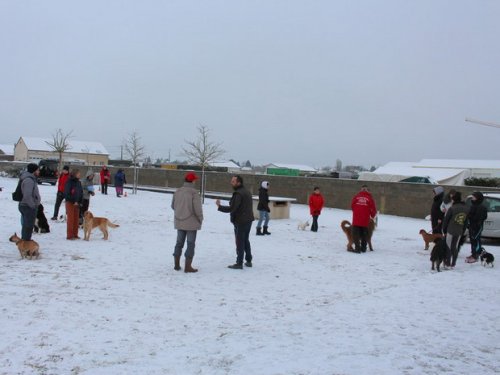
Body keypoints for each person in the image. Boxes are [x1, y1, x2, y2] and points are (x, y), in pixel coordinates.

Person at [216, 175, 254, 269]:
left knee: (240, 241)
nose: (231, 183)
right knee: (245, 240)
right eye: (231, 181)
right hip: (248, 220)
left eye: (233, 181)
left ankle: (239, 263)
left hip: (241, 221)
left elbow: (232, 208)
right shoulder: (246, 191)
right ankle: (248, 260)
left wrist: (219, 206)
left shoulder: (238, 194)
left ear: (238, 183)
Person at [171, 172, 204, 273]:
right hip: (191, 222)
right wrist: (200, 218)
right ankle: (188, 266)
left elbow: (173, 206)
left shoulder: (177, 191)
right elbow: (197, 209)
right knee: (190, 243)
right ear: (193, 180)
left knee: (179, 243)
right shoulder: (194, 193)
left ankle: (176, 265)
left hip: (179, 221)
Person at [442, 191, 469, 269]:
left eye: (452, 199)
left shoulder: (452, 208)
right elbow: (466, 222)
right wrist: (463, 231)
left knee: (448, 246)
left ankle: (447, 263)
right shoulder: (466, 208)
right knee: (455, 247)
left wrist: (444, 231)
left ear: (454, 200)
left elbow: (446, 220)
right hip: (459, 231)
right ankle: (453, 264)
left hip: (450, 230)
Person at [18, 163, 41, 241]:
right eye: (38, 170)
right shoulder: (29, 180)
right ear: (34, 171)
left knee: (26, 226)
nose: (39, 172)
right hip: (27, 206)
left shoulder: (30, 178)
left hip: (26, 205)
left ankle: (25, 242)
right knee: (28, 227)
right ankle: (26, 244)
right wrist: (32, 205)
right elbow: (27, 195)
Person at [351, 185, 377, 253]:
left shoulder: (356, 196)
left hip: (356, 218)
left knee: (355, 234)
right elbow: (373, 208)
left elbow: (352, 206)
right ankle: (363, 248)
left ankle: (357, 248)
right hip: (365, 219)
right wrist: (372, 215)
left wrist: (356, 212)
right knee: (364, 234)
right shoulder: (370, 198)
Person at [465, 192, 488, 263]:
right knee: (472, 241)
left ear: (478, 198)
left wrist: (470, 217)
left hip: (477, 227)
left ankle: (476, 256)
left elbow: (480, 217)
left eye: (474, 197)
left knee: (476, 241)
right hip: (472, 226)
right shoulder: (473, 205)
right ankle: (473, 254)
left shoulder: (481, 207)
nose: (472, 197)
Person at [64, 169, 83, 240]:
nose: (79, 175)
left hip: (77, 203)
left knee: (76, 219)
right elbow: (66, 193)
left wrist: (80, 201)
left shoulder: (79, 182)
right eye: (78, 173)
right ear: (75, 174)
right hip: (70, 202)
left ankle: (75, 234)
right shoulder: (69, 182)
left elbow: (81, 192)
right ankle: (70, 235)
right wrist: (73, 200)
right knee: (71, 219)